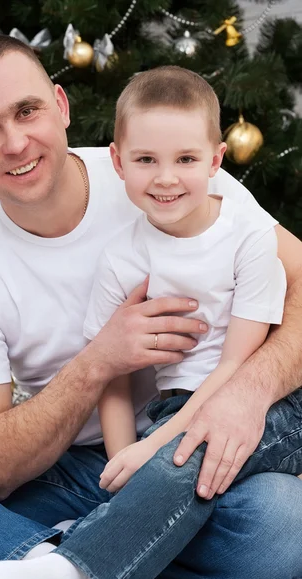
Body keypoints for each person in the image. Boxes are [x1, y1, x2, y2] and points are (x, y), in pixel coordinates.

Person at [0, 34, 300, 579]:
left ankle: (61, 560)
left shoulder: (162, 168)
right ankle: (57, 560)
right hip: (72, 471)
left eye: (27, 110)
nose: (16, 142)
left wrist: (247, 394)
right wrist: (98, 361)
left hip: (197, 443)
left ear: (60, 106)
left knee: (278, 523)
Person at [89, 65, 291, 492]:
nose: (166, 178)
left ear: (215, 160)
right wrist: (123, 465)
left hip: (256, 399)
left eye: (186, 159)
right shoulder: (119, 258)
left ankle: (68, 560)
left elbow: (236, 365)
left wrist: (151, 449)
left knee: (179, 463)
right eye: (145, 159)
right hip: (172, 409)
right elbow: (112, 379)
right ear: (117, 162)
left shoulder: (248, 236)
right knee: (166, 484)